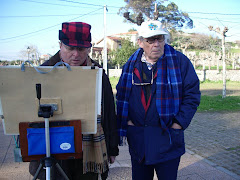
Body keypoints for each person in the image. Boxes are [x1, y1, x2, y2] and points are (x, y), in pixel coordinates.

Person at [29, 22, 119, 180]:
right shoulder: (43, 73)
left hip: (88, 152)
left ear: (89, 48)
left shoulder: (98, 74)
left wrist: (112, 149)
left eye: (81, 49)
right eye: (70, 48)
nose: (76, 54)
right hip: (52, 150)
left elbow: (109, 113)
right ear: (60, 45)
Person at [116, 20, 201, 180]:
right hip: (139, 140)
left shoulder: (180, 62)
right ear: (140, 42)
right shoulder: (131, 64)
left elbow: (192, 95)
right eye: (150, 40)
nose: (156, 44)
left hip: (168, 138)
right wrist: (128, 122)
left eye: (160, 39)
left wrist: (179, 123)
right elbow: (121, 93)